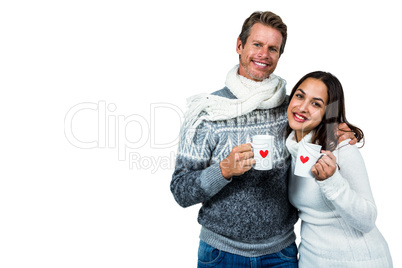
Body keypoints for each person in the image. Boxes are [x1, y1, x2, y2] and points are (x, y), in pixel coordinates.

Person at [171, 11, 355, 267]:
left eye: (273, 49)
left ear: (280, 55)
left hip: (280, 254)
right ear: (239, 45)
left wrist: (342, 133)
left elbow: (325, 122)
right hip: (220, 254)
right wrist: (223, 170)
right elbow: (181, 191)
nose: (264, 54)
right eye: (257, 44)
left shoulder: (292, 109)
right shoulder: (208, 112)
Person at [285, 71, 393, 267]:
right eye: (300, 96)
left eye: (316, 103)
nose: (302, 107)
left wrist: (331, 181)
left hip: (357, 260)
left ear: (328, 112)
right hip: (312, 259)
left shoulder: (341, 147)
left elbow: (367, 219)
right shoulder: (290, 148)